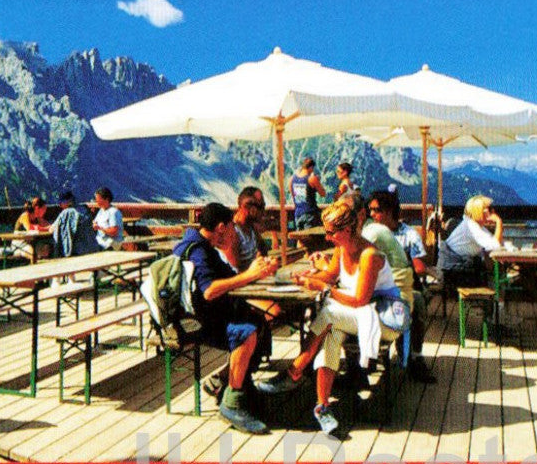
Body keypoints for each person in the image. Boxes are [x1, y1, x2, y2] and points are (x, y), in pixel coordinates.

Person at [271, 199, 407, 437]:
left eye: (331, 232)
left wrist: (322, 288)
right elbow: (331, 274)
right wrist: (308, 276)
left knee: (330, 313)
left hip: (384, 318)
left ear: (346, 230)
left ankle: (297, 368)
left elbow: (359, 300)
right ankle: (322, 407)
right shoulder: (341, 248)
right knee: (331, 334)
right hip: (358, 316)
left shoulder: (369, 255)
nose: (327, 237)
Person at [173, 202, 281, 434]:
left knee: (258, 321)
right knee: (247, 330)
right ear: (222, 227)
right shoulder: (198, 250)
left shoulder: (201, 245)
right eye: (231, 227)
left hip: (202, 315)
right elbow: (210, 290)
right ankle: (231, 402)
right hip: (194, 322)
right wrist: (250, 275)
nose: (234, 231)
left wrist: (256, 271)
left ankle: (238, 385)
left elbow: (231, 278)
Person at [367, 189, 434, 382]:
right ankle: (363, 358)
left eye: (376, 210)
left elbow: (419, 268)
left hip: (403, 285)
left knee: (418, 301)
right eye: (370, 210)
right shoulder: (370, 232)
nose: (371, 214)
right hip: (375, 285)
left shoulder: (409, 235)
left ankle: (415, 356)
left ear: (388, 212)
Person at [436, 195, 504, 290]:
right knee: (489, 274)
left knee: (488, 268)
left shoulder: (476, 226)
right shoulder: (471, 227)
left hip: (457, 268)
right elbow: (495, 246)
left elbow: (495, 244)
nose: (492, 212)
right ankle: (497, 299)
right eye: (488, 208)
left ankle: (497, 298)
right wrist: (499, 222)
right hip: (451, 271)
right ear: (479, 211)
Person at [51, 191, 99, 259]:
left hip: (76, 251)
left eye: (61, 202)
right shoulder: (84, 210)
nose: (59, 205)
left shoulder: (65, 213)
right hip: (91, 247)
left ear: (68, 202)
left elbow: (52, 229)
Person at [230, 187, 269, 270]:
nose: (263, 212)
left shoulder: (252, 228)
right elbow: (234, 273)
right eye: (261, 206)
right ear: (247, 207)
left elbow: (263, 252)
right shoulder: (233, 233)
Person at [291, 157, 324, 229]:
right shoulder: (311, 178)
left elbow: (293, 195)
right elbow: (323, 193)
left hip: (298, 213)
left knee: (300, 238)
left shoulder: (293, 178)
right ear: (311, 167)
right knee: (311, 239)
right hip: (310, 214)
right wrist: (317, 181)